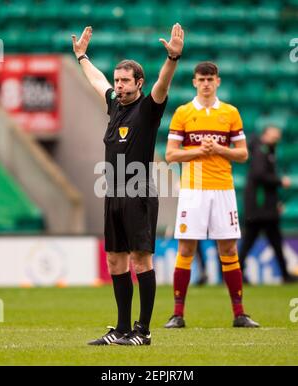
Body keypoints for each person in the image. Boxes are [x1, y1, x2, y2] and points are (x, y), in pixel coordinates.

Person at [72, 25, 184, 345]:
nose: (119, 86)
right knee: (115, 261)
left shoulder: (148, 109)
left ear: (139, 83)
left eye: (125, 81)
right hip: (114, 193)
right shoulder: (115, 105)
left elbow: (163, 84)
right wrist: (81, 56)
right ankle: (121, 330)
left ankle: (143, 331)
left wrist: (173, 57)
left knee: (140, 260)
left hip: (139, 194)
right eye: (117, 80)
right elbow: (97, 81)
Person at [164, 61, 259, 329]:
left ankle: (239, 313)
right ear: (194, 82)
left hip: (222, 188)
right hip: (193, 188)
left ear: (218, 81)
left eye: (210, 79)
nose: (206, 83)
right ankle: (177, 314)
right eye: (201, 79)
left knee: (228, 249)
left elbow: (242, 154)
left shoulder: (230, 113)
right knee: (186, 248)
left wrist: (218, 148)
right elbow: (171, 154)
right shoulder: (183, 112)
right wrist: (198, 151)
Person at [239, 126, 297, 283]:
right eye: (273, 135)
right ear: (265, 135)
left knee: (270, 241)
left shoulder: (267, 151)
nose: (276, 137)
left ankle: (284, 274)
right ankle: (238, 274)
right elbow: (260, 175)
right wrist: (280, 181)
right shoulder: (261, 151)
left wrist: (275, 202)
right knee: (253, 242)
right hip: (260, 209)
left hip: (264, 208)